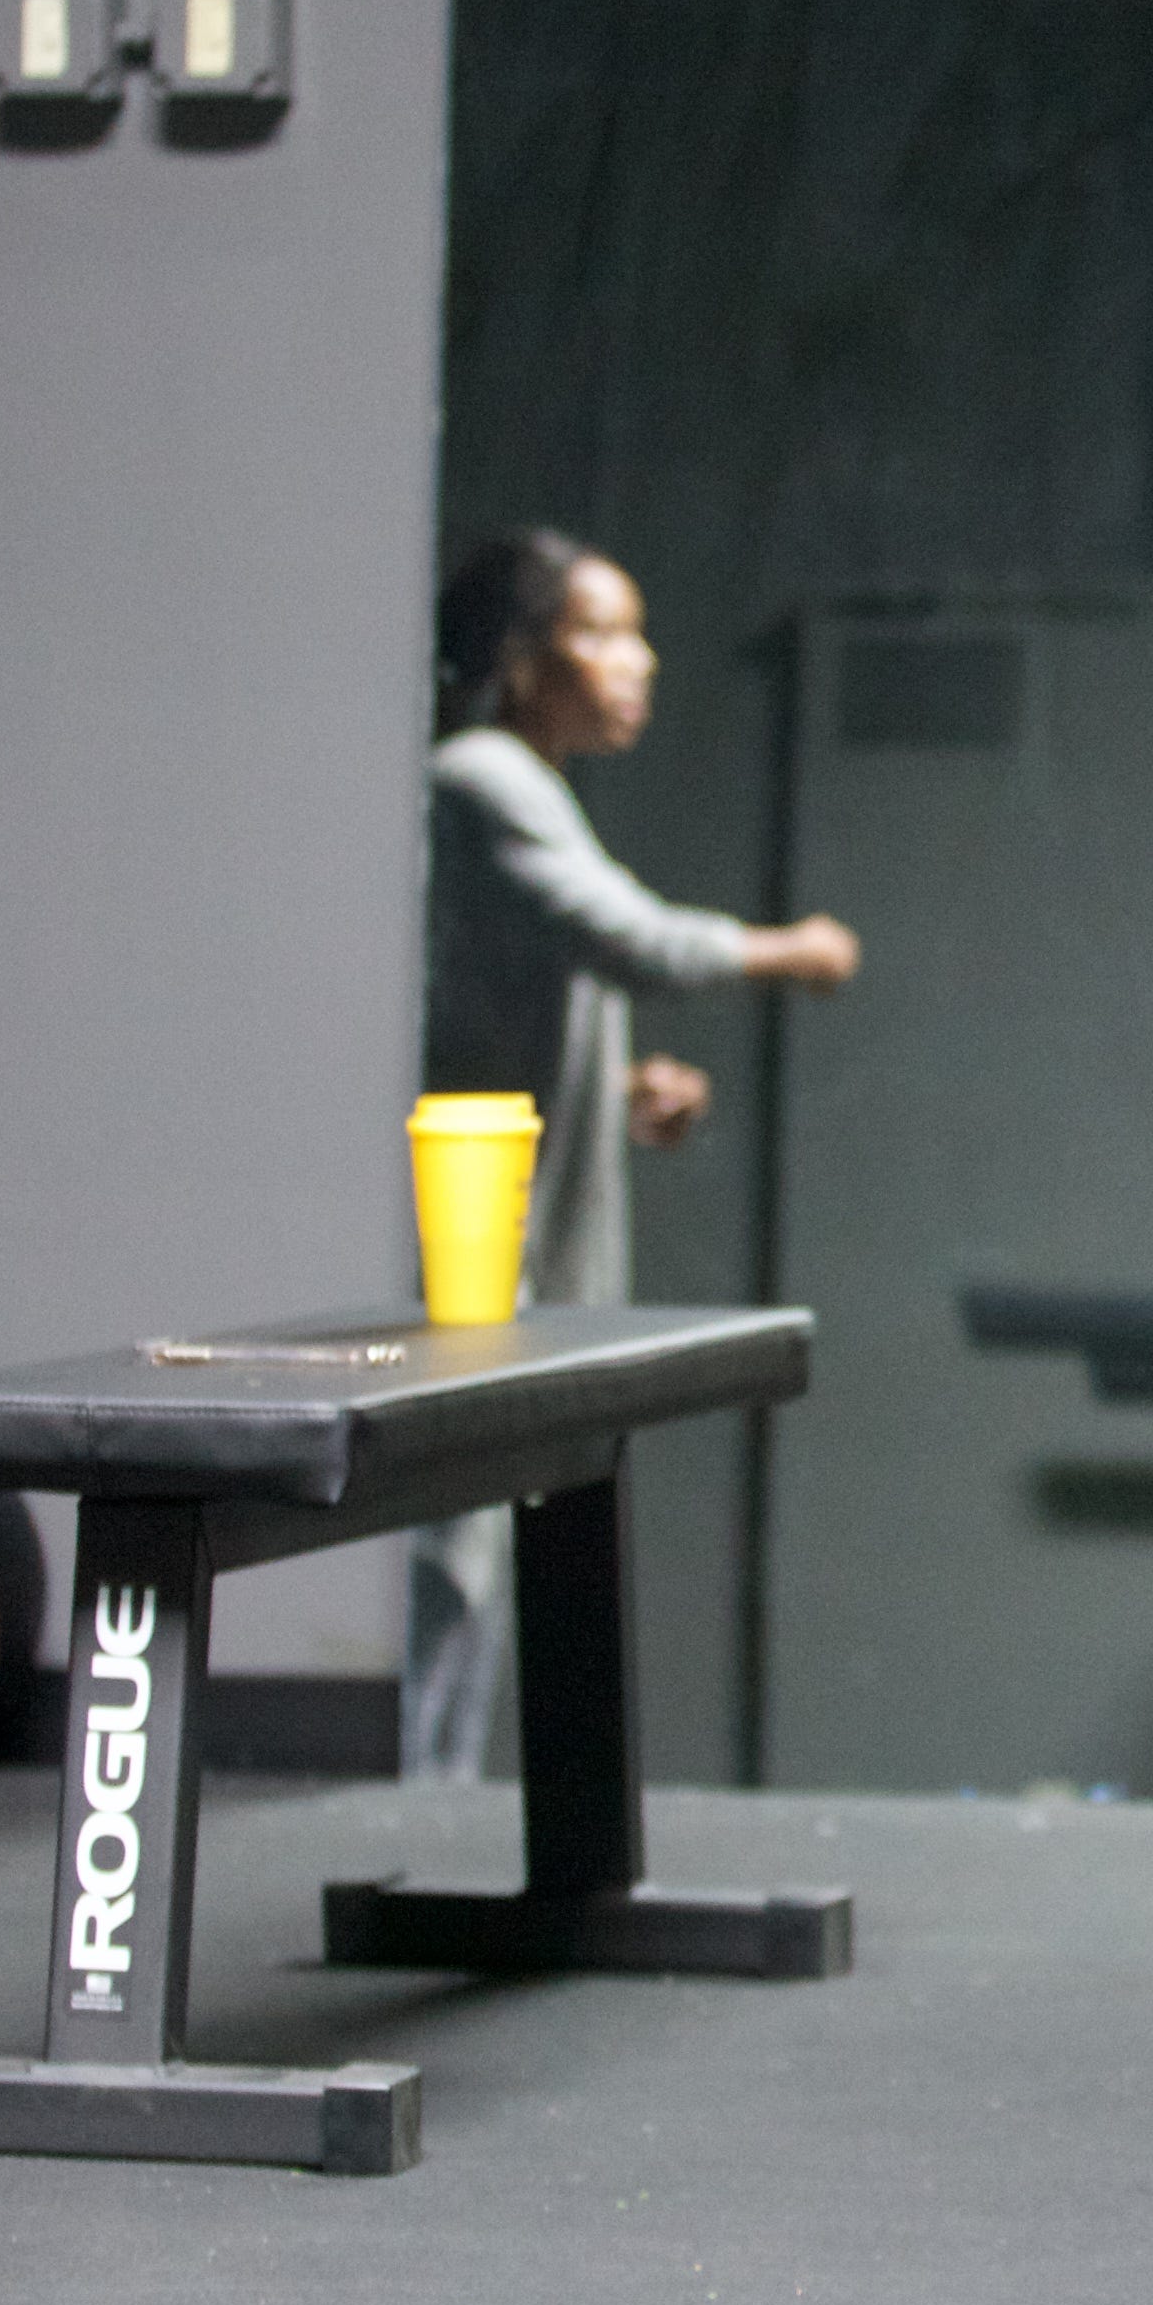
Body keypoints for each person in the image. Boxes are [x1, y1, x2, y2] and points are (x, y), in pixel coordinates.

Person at [402, 529, 863, 1784]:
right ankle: (404, 1816)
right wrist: (792, 951)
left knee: (482, 1561)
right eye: (600, 632)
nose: (636, 660)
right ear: (514, 657)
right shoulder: (481, 772)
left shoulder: (530, 785)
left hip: (526, 1261)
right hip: (475, 1265)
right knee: (450, 1564)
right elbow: (636, 942)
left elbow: (522, 1008)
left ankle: (430, 1810)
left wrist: (621, 1093)